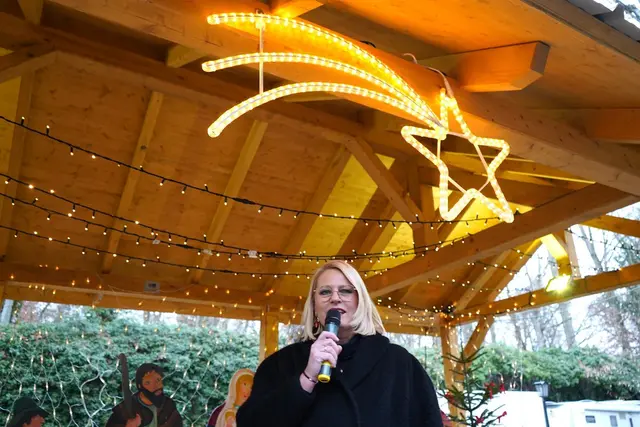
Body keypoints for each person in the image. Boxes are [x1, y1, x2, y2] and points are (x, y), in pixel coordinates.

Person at [236, 260, 444, 427]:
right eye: (325, 292)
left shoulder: (400, 363)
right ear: (314, 305)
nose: (335, 298)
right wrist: (306, 379)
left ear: (360, 301)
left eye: (345, 290)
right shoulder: (281, 364)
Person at [106, 363, 183, 427]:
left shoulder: (169, 406)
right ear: (140, 386)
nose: (156, 386)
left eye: (158, 380)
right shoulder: (125, 410)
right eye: (148, 383)